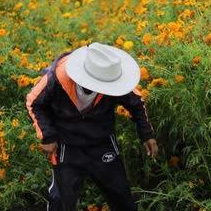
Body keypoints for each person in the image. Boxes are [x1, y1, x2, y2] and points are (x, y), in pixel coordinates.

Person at [26, 42, 158, 211]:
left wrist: (146, 133)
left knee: (122, 197)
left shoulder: (114, 77)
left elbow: (136, 103)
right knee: (60, 201)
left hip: (102, 142)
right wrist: (47, 135)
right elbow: (34, 102)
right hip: (67, 144)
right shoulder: (57, 77)